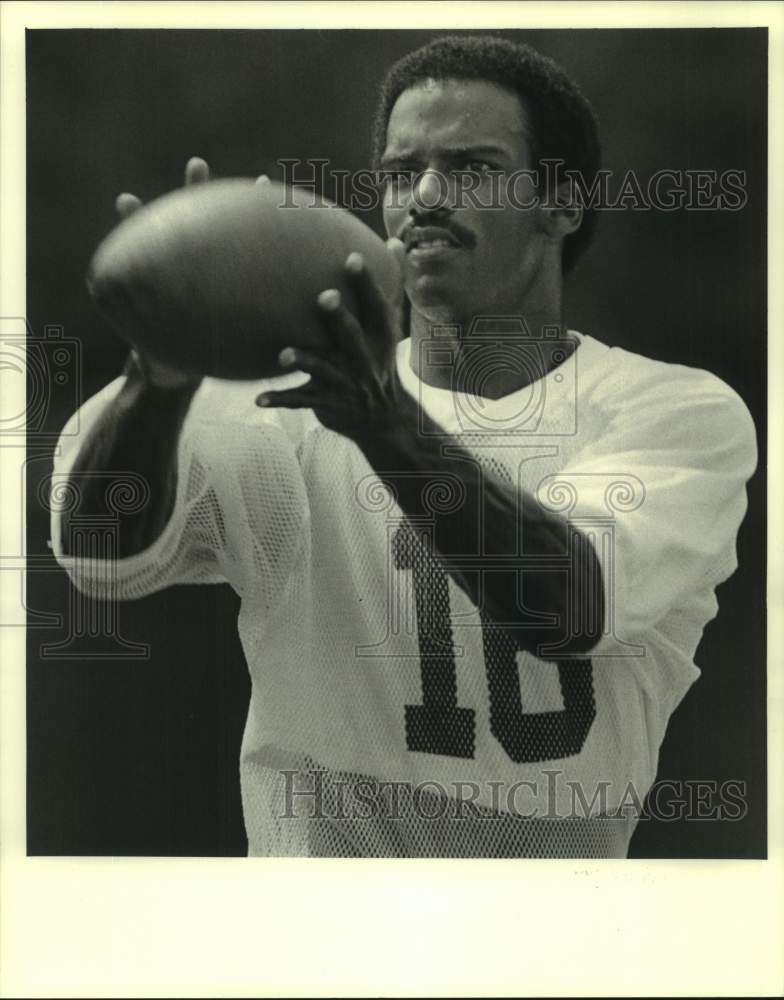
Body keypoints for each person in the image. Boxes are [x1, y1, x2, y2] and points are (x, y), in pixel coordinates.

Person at [51, 35, 757, 857]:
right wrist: (159, 379)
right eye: (397, 172)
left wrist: (388, 426)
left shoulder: (675, 411)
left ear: (562, 202)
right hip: (316, 944)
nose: (422, 194)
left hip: (549, 942)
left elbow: (562, 605)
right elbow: (98, 553)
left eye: (471, 167)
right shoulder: (278, 401)